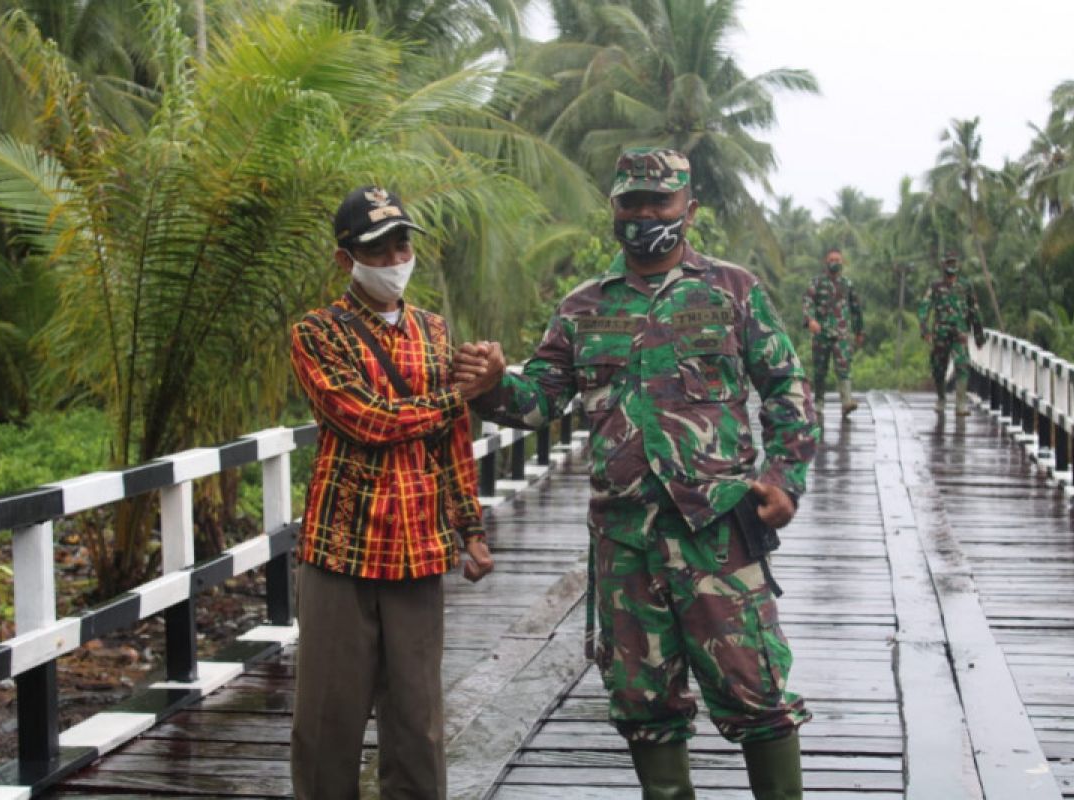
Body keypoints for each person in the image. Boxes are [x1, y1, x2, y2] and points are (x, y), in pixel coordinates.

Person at [455, 148, 819, 799]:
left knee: (759, 694)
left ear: (689, 208)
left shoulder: (732, 291)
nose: (646, 213)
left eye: (660, 201)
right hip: (626, 544)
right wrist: (490, 388)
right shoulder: (583, 308)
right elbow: (539, 399)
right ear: (614, 209)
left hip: (718, 534)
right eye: (632, 202)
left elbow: (788, 387)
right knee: (643, 708)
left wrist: (785, 478)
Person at [288, 185, 497, 800]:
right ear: (344, 258)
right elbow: (366, 419)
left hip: (418, 546)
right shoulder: (316, 334)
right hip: (342, 548)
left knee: (419, 723)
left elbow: (453, 443)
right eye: (375, 248)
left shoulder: (434, 333)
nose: (392, 258)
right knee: (329, 721)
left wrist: (473, 531)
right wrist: (463, 392)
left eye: (400, 243)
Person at [802, 248, 864, 424]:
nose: (835, 262)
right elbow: (807, 302)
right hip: (821, 333)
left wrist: (859, 331)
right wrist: (810, 320)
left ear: (842, 262)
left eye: (838, 259)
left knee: (844, 367)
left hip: (841, 334)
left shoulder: (847, 284)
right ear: (825, 261)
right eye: (832, 259)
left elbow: (856, 310)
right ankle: (819, 403)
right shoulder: (817, 283)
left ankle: (846, 402)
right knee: (820, 370)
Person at [918, 251, 984, 415]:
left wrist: (978, 334)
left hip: (960, 334)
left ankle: (960, 403)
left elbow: (974, 310)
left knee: (962, 366)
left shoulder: (965, 286)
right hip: (941, 334)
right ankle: (941, 398)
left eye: (954, 263)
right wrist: (924, 328)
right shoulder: (936, 287)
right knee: (939, 368)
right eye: (949, 263)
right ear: (943, 265)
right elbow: (924, 307)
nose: (951, 267)